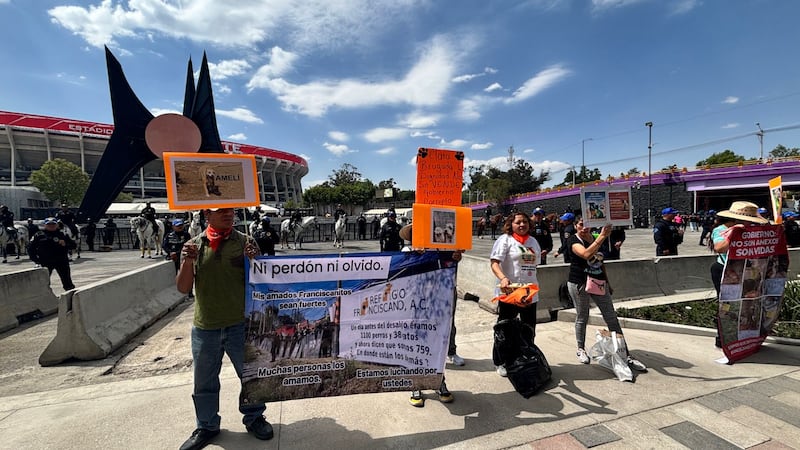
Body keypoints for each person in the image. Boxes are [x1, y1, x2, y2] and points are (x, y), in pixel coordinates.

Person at [176, 207, 272, 450]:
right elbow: (183, 287)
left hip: (241, 325)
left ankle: (254, 417)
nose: (228, 214)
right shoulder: (193, 246)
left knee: (250, 377)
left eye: (231, 210)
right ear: (207, 214)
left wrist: (255, 260)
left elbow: (262, 283)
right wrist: (187, 260)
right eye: (221, 211)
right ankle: (206, 426)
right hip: (205, 327)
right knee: (204, 381)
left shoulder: (245, 242)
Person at [565, 217, 647, 371]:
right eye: (581, 225)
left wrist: (607, 282)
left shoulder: (595, 238)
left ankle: (625, 353)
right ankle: (580, 348)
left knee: (611, 317)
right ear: (575, 226)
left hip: (598, 282)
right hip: (580, 283)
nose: (584, 228)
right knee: (582, 316)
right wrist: (602, 236)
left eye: (587, 225)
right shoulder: (573, 241)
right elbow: (585, 254)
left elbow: (601, 262)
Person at [397, 224, 462, 407]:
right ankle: (416, 383)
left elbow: (451, 266)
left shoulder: (444, 248)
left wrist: (457, 257)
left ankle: (438, 381)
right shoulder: (407, 250)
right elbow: (401, 271)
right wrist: (415, 256)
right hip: (416, 304)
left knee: (437, 342)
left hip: (439, 302)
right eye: (416, 232)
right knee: (417, 344)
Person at [709, 202, 768, 347]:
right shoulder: (721, 230)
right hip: (725, 270)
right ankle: (723, 337)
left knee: (749, 302)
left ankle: (747, 334)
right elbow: (719, 248)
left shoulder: (753, 230)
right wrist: (734, 233)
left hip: (748, 271)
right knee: (727, 303)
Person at [489, 211, 541, 377]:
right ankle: (501, 361)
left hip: (529, 293)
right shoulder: (505, 240)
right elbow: (494, 263)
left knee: (528, 328)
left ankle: (525, 358)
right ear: (510, 224)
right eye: (518, 222)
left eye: (525, 222)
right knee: (505, 329)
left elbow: (535, 265)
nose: (522, 225)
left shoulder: (533, 242)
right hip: (509, 292)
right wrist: (503, 278)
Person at [28, 217, 76, 290]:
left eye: (53, 224)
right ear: (45, 225)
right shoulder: (39, 235)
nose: (51, 226)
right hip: (45, 262)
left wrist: (65, 244)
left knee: (68, 283)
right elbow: (30, 248)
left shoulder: (62, 234)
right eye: (49, 224)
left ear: (57, 225)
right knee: (43, 283)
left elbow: (73, 245)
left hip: (61, 262)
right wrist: (36, 260)